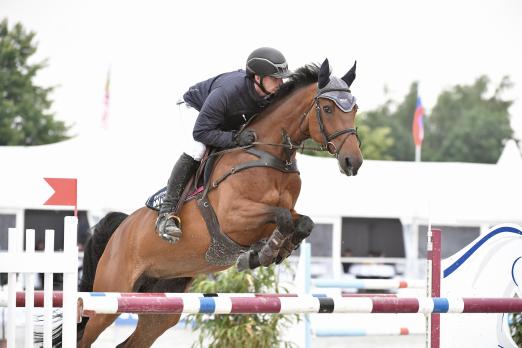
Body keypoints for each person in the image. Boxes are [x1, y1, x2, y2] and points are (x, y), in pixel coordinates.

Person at [156, 47, 291, 244]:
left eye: (282, 78)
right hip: (195, 109)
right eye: (275, 78)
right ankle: (166, 214)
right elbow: (200, 131)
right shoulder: (228, 91)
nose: (281, 83)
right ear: (257, 77)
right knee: (198, 149)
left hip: (226, 118)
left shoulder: (269, 93)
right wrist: (234, 139)